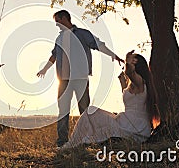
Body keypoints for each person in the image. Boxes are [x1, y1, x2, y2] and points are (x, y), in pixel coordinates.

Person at [36, 10, 124, 148]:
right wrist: (44, 69)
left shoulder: (82, 34)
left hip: (80, 79)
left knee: (84, 111)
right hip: (63, 80)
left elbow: (98, 44)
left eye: (58, 21)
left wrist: (113, 55)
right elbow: (54, 55)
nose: (57, 25)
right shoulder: (59, 38)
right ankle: (62, 142)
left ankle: (88, 139)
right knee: (63, 111)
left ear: (64, 18)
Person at [60, 51, 160, 149]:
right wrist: (122, 82)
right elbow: (129, 99)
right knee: (90, 113)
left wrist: (127, 60)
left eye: (131, 60)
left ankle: (71, 145)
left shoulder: (141, 82)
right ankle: (72, 144)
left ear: (136, 64)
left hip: (135, 127)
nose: (127, 63)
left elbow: (129, 73)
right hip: (127, 122)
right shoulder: (133, 85)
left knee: (92, 114)